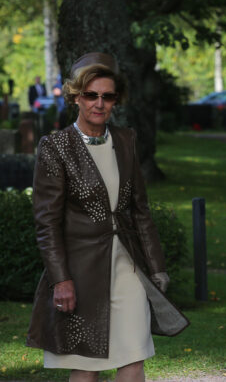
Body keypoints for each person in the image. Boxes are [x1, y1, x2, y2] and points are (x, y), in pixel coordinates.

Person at [26, 52, 188, 381]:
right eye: (91, 95)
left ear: (116, 100)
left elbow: (140, 210)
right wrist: (61, 279)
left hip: (127, 267)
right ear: (76, 97)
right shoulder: (56, 147)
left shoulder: (126, 140)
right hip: (80, 271)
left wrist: (156, 267)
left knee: (133, 357)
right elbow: (47, 223)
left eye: (107, 96)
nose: (99, 104)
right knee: (87, 365)